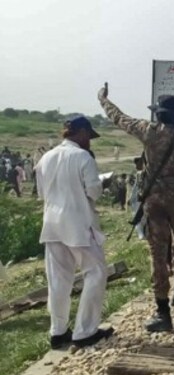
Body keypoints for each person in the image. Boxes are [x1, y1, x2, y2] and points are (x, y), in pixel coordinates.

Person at [99, 85, 174, 332]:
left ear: (158, 114)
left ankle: (162, 312)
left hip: (154, 202)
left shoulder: (147, 131)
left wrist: (103, 99)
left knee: (158, 254)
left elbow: (119, 117)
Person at [35, 116, 114, 348]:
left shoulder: (45, 158)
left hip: (51, 224)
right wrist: (102, 183)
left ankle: (58, 332)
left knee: (58, 279)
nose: (89, 141)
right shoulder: (83, 157)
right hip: (78, 223)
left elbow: (41, 192)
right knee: (96, 272)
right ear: (80, 132)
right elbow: (94, 192)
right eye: (88, 136)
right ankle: (85, 331)